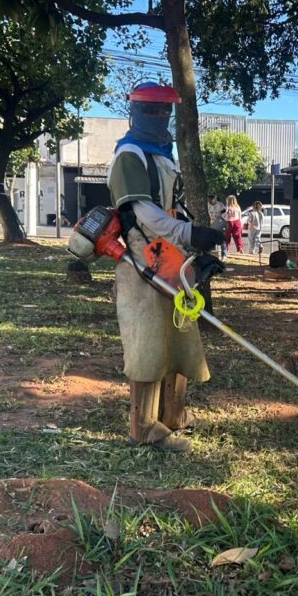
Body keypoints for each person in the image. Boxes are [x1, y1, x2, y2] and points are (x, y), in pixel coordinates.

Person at [107, 81, 224, 453]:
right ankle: (143, 428)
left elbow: (169, 209)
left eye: (164, 111)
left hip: (171, 257)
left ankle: (174, 416)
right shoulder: (131, 153)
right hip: (143, 262)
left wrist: (191, 241)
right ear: (135, 112)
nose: (159, 117)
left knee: (178, 336)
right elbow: (143, 213)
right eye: (151, 110)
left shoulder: (162, 153)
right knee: (149, 346)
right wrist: (189, 232)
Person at [207, 193, 228, 260]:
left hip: (219, 223)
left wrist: (219, 218)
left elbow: (225, 212)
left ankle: (224, 254)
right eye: (209, 199)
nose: (211, 201)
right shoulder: (206, 205)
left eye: (212, 199)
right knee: (210, 239)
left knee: (221, 238)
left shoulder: (220, 205)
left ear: (215, 198)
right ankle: (212, 253)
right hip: (210, 223)